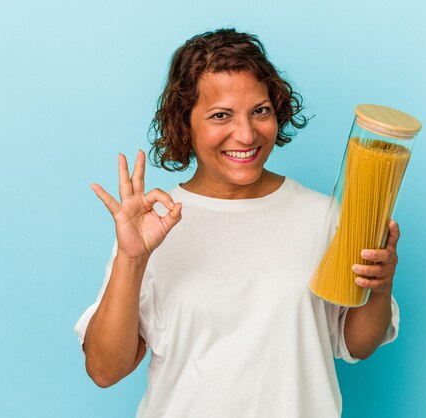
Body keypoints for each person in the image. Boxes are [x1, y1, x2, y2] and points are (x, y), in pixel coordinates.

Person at [74, 28, 401, 418]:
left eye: (260, 111)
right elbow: (105, 370)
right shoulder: (150, 228)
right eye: (220, 115)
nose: (246, 134)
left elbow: (355, 345)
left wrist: (379, 288)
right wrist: (131, 258)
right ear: (185, 123)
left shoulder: (323, 215)